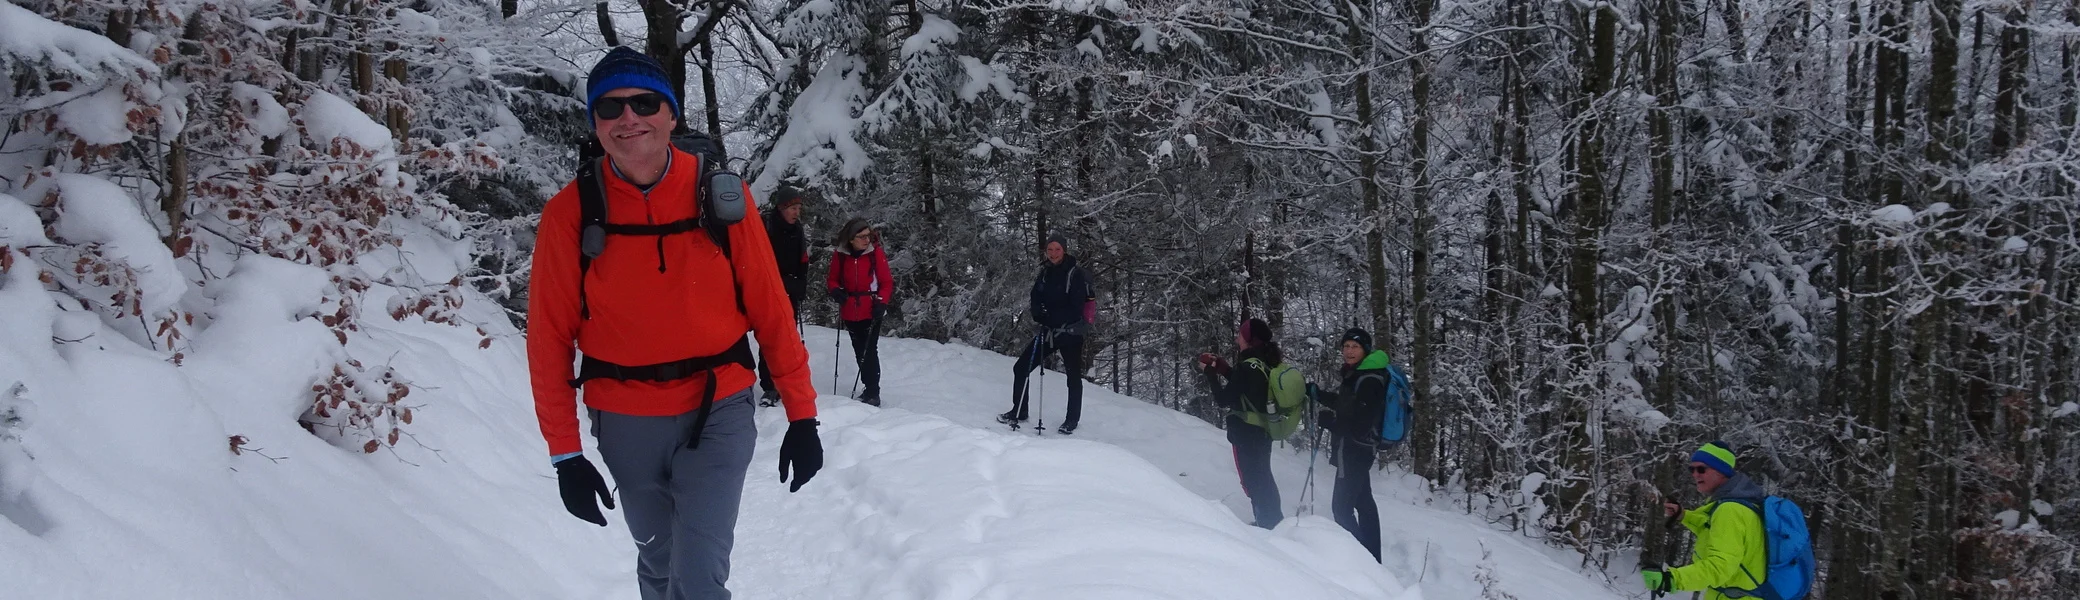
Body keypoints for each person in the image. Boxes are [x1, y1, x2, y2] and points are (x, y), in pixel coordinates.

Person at [526, 46, 823, 600]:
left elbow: (772, 311)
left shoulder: (722, 197)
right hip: (623, 418)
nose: (628, 118)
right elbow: (548, 339)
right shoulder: (570, 213)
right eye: (610, 108)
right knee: (659, 562)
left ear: (671, 114)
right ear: (595, 123)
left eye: (644, 102)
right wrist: (566, 454)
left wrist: (803, 416)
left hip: (720, 406)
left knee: (699, 577)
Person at [1641, 441, 1770, 599]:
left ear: (1722, 471)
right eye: (1692, 469)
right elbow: (1713, 530)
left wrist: (1671, 579)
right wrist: (1684, 516)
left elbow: (1720, 567)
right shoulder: (1741, 504)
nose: (1695, 474)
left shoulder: (1730, 510)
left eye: (1701, 469)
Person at [996, 234, 1096, 435]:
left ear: (1064, 250)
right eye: (1050, 249)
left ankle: (1071, 420)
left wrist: (1049, 317)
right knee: (1021, 367)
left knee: (1073, 377)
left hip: (1070, 332)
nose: (1053, 253)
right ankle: (1019, 411)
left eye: (1057, 249)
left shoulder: (1075, 275)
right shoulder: (1046, 272)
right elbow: (1036, 296)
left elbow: (1076, 308)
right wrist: (1037, 313)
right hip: (1049, 331)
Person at [1197, 317, 1286, 529]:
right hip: (1264, 431)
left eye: (1241, 334)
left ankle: (1267, 528)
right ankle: (1274, 523)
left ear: (1249, 339)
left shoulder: (1247, 366)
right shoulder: (1265, 362)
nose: (1238, 338)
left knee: (1253, 482)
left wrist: (1209, 373)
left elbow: (1223, 399)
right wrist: (1226, 370)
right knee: (1263, 477)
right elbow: (1249, 389)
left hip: (1246, 432)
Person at [1315, 328, 1384, 562]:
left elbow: (1360, 423)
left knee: (1341, 509)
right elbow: (1349, 407)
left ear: (1365, 349)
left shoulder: (1369, 379)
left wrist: (1331, 423)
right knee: (1363, 502)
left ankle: (1361, 564)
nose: (1349, 351)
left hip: (1354, 448)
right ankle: (1374, 561)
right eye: (1346, 346)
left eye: (1355, 346)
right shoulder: (1360, 374)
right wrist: (1319, 395)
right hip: (1361, 448)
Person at [827, 218, 891, 405]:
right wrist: (835, 291)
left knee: (869, 350)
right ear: (851, 239)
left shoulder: (875, 254)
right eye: (861, 237)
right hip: (850, 308)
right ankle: (868, 388)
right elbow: (832, 279)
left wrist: (882, 302)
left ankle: (873, 391)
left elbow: (886, 281)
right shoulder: (841, 255)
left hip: (872, 308)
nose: (866, 240)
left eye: (868, 236)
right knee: (858, 349)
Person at [756, 186, 810, 407]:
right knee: (769, 337)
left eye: (799, 208)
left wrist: (800, 286)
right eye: (793, 208)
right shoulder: (766, 226)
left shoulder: (797, 230)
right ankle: (769, 386)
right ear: (782, 207)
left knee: (787, 338)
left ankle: (782, 383)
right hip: (767, 291)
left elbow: (803, 261)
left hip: (790, 292)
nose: (797, 212)